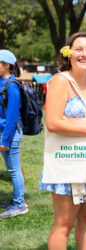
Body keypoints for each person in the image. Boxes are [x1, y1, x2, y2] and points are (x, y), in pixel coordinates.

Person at [38, 32, 86, 249]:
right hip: (68, 160)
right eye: (79, 49)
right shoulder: (60, 81)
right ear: (68, 54)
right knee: (64, 224)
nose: (85, 54)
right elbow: (52, 122)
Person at [0, 50, 28, 218]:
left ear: (6, 65)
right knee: (12, 169)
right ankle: (16, 200)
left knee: (15, 170)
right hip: (3, 132)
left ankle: (19, 205)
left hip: (9, 134)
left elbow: (11, 117)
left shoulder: (12, 85)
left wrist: (6, 140)